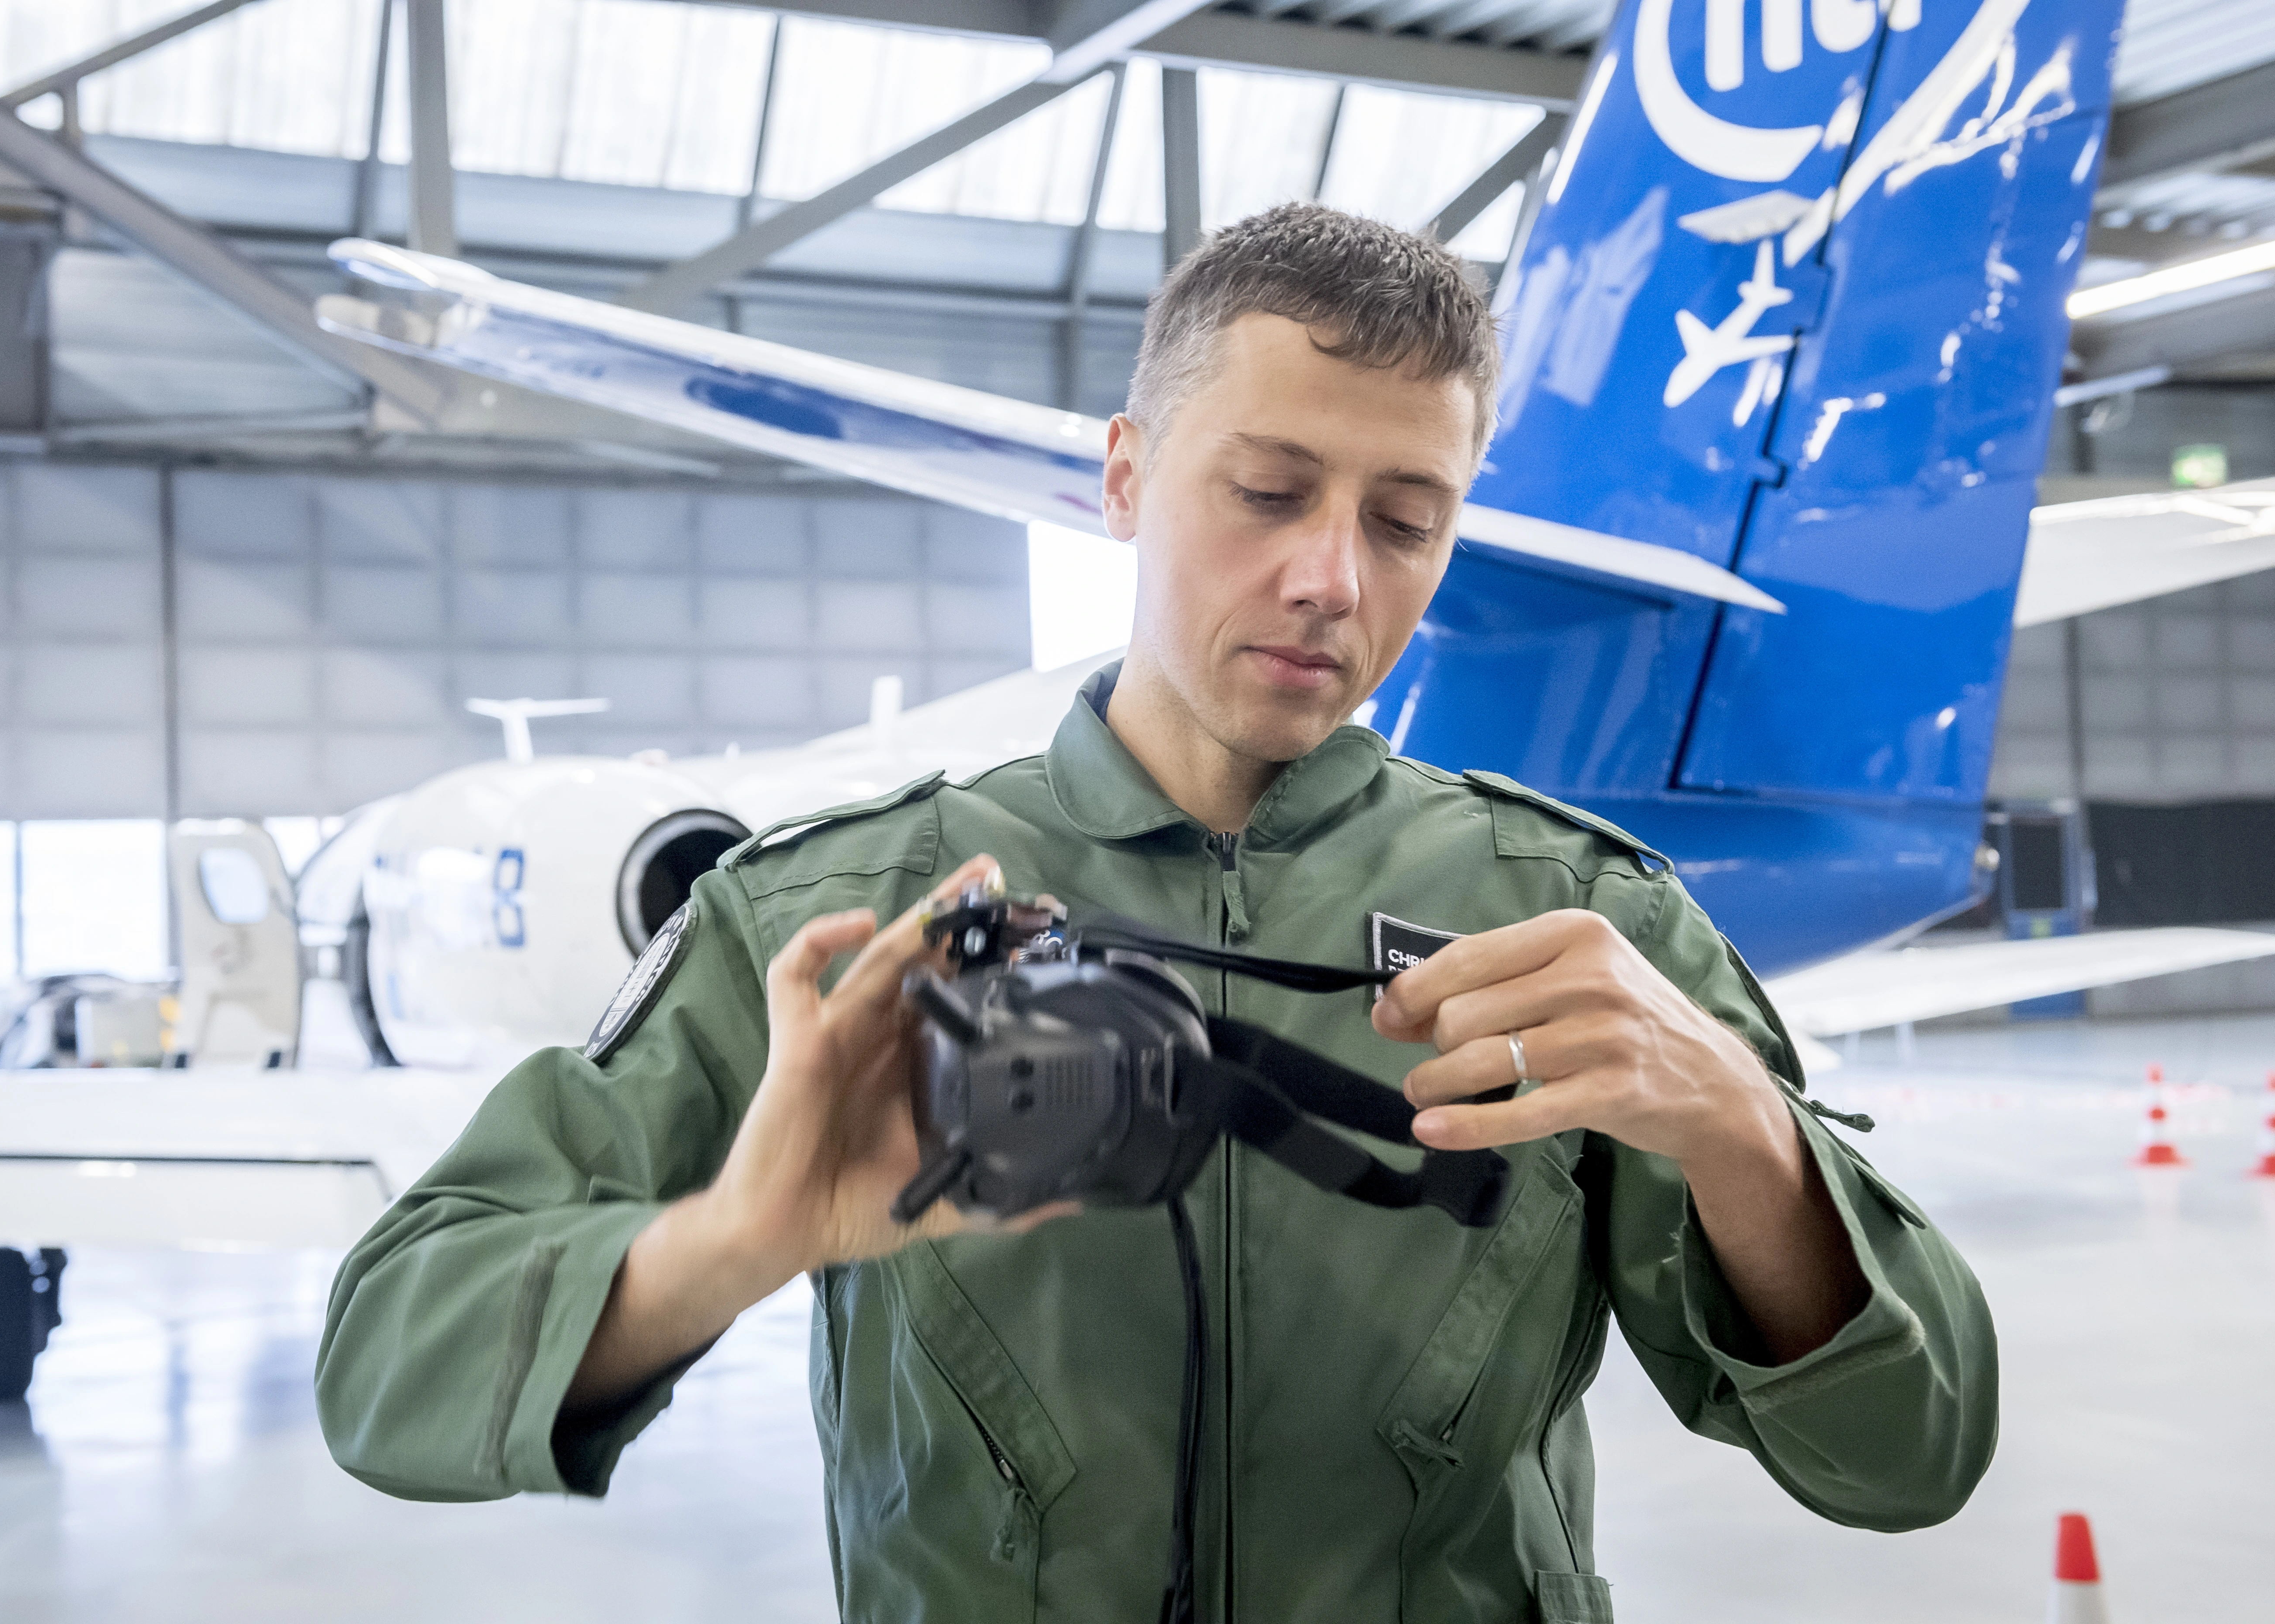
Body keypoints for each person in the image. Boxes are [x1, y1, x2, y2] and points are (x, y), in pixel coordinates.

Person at [317, 203, 1995, 1622]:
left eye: (1408, 523)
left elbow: (1913, 1455)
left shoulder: (1575, 925)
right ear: (1124, 479)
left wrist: (1744, 1139)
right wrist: (726, 1245)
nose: (1335, 577)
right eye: (1267, 493)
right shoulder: (833, 921)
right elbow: (391, 1366)